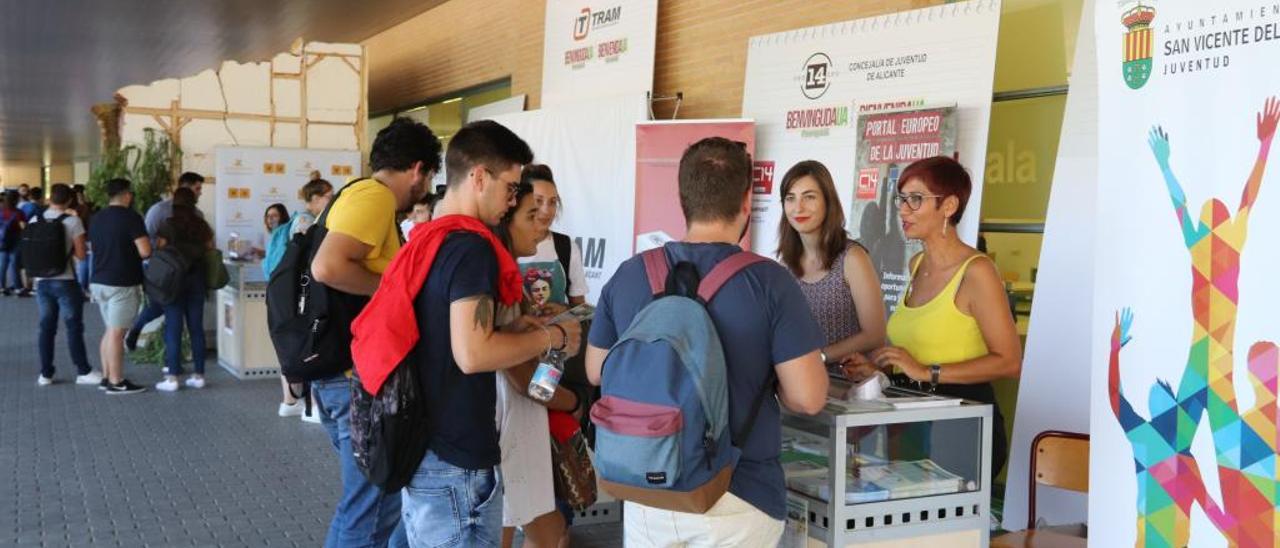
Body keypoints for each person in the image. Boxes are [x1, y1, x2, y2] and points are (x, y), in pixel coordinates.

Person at [585, 137, 829, 547]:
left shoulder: (630, 274)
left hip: (649, 485)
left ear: (683, 200)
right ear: (746, 202)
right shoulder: (769, 282)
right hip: (738, 492)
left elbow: (597, 370)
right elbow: (808, 398)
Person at [371, 119, 579, 548]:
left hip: (426, 445)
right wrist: (551, 339)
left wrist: (514, 329)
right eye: (510, 187)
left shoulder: (428, 238)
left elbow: (449, 336)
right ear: (479, 176)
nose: (511, 200)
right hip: (455, 457)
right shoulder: (471, 247)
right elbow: (472, 353)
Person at [309, 116, 442, 548]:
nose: (424, 191)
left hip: (345, 376)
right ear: (418, 169)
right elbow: (327, 267)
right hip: (354, 380)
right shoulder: (375, 196)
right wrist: (393, 294)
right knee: (369, 511)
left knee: (378, 503)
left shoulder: (360, 196)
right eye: (428, 178)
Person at [852, 156, 1022, 476]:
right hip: (910, 421)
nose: (903, 210)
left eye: (916, 200)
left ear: (949, 206)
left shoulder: (977, 272)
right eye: (901, 199)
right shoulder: (916, 264)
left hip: (961, 424)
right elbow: (921, 351)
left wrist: (926, 371)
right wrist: (878, 367)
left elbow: (1009, 362)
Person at [489, 181, 583, 548]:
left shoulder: (505, 277)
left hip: (519, 421)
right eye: (532, 213)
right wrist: (571, 403)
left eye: (550, 207)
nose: (543, 221)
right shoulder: (500, 279)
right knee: (518, 519)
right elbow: (527, 381)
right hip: (515, 419)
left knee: (539, 520)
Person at [777, 160, 886, 372]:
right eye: (790, 198)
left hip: (848, 386)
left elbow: (875, 334)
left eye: (809, 197)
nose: (798, 207)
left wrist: (821, 357)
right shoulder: (786, 264)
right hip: (801, 386)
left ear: (828, 201)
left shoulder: (852, 258)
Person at [34, 184, 103, 388]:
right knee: (73, 327)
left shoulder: (35, 219)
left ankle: (45, 374)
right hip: (65, 281)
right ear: (70, 201)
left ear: (50, 199)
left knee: (46, 328)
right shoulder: (73, 221)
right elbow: (82, 256)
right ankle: (83, 370)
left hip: (41, 282)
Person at [126, 171, 205, 351]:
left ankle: (173, 358)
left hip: (189, 271)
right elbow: (147, 238)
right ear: (185, 187)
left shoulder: (198, 214)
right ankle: (140, 331)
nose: (200, 193)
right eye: (197, 188)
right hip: (164, 270)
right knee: (160, 305)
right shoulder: (159, 210)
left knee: (170, 310)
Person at [275, 178, 333, 419]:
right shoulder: (307, 222)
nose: (332, 200)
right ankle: (311, 407)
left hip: (295, 291)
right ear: (315, 199)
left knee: (295, 347)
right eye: (328, 196)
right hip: (304, 292)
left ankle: (292, 402)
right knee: (309, 346)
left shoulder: (299, 219)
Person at [88, 178, 152, 394]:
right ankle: (117, 381)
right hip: (122, 282)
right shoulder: (130, 217)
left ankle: (107, 377)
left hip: (99, 280)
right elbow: (145, 251)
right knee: (117, 334)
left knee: (110, 331)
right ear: (127, 195)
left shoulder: (96, 217)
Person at [153, 188, 213, 392]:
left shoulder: (168, 225)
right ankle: (199, 375)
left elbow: (159, 249)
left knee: (173, 329)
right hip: (196, 279)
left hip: (174, 282)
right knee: (196, 328)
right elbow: (210, 248)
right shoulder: (202, 225)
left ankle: (172, 378)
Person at [0, 191, 27, 296]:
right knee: (14, 264)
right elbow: (23, 226)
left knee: (2, 264)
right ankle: (18, 288)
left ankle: (2, 287)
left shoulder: (1, 211)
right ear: (16, 200)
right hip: (15, 239)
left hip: (2, 240)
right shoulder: (18, 212)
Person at [260, 202, 290, 278]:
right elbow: (273, 255)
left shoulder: (284, 233)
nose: (270, 219)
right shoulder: (276, 234)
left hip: (280, 279)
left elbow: (278, 260)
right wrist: (259, 252)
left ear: (282, 217)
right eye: (268, 216)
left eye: (275, 216)